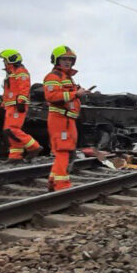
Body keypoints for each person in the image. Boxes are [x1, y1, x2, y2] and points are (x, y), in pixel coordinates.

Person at [44, 45, 85, 191]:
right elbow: (52, 96)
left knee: (66, 150)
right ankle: (62, 186)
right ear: (56, 60)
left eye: (70, 59)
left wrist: (77, 93)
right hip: (60, 119)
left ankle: (53, 180)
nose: (68, 62)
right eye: (64, 59)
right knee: (63, 150)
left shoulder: (67, 78)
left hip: (68, 119)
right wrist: (76, 94)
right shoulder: (53, 77)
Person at [0, 49, 41, 162]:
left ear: (11, 60)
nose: (4, 63)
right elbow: (9, 91)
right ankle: (15, 156)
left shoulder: (20, 71)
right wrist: (4, 103)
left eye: (5, 60)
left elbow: (24, 87)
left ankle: (34, 147)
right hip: (11, 105)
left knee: (11, 129)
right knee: (9, 131)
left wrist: (21, 101)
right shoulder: (11, 73)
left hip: (17, 105)